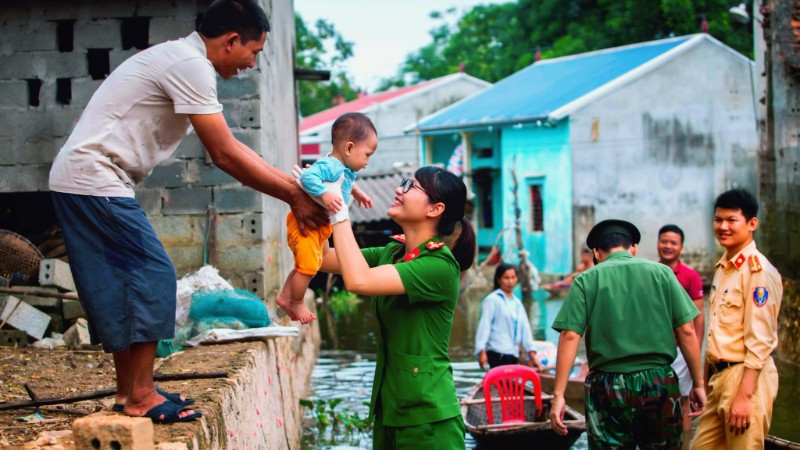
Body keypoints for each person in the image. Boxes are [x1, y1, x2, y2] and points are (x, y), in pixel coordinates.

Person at [47, 0, 327, 423]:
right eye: (254, 51)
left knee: (126, 281)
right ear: (231, 40)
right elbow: (226, 153)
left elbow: (234, 149)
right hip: (93, 177)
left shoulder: (182, 59)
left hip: (93, 178)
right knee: (152, 274)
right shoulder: (190, 64)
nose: (252, 63)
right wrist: (293, 196)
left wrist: (293, 188)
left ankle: (131, 393)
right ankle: (141, 394)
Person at [318, 166, 476, 450]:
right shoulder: (393, 252)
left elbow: (359, 281)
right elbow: (323, 259)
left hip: (428, 419)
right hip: (390, 409)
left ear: (435, 209)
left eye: (410, 186)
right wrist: (318, 198)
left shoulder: (438, 266)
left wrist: (339, 212)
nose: (398, 190)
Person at [550, 219, 707, 449]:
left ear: (596, 252)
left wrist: (558, 395)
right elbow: (686, 329)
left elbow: (570, 336)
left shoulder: (585, 279)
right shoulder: (663, 273)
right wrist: (699, 384)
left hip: (607, 385)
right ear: (633, 247)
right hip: (659, 382)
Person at [691, 189, 782, 450]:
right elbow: (716, 332)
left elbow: (762, 339)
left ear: (752, 224)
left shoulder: (758, 271)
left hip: (745, 378)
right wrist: (706, 385)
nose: (723, 227)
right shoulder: (724, 268)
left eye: (732, 220)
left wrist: (744, 397)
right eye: (718, 220)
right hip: (719, 379)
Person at [275, 112, 375, 324]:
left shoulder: (341, 168)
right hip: (306, 225)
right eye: (367, 154)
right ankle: (297, 301)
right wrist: (323, 193)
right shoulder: (330, 166)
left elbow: (344, 182)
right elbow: (308, 177)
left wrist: (356, 192)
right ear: (349, 148)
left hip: (317, 226)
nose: (367, 161)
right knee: (308, 267)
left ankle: (285, 296)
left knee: (309, 262)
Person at [657, 224, 706, 439]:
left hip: (681, 349)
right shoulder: (651, 273)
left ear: (681, 248)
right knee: (655, 399)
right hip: (655, 348)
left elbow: (698, 316)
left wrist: (694, 350)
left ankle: (684, 442)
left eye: (673, 242)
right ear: (658, 243)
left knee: (684, 400)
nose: (667, 246)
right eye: (664, 241)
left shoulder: (690, 276)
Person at [474, 263, 544, 370]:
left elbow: (525, 330)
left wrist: (532, 354)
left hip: (513, 354)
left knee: (510, 385)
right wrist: (482, 351)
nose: (510, 281)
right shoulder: (492, 300)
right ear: (499, 279)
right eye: (506, 278)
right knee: (503, 384)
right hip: (497, 353)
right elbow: (485, 326)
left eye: (513, 277)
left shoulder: (517, 303)